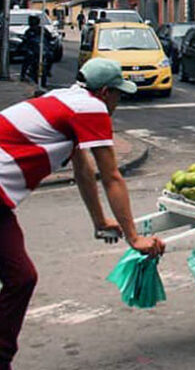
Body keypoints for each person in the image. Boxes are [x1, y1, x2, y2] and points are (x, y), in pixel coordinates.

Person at [0, 58, 164, 370]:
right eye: (119, 94)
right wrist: (134, 238)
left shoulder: (64, 98)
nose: (119, 102)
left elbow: (84, 171)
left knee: (19, 277)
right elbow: (111, 175)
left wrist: (100, 221)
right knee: (20, 277)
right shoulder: (92, 108)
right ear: (104, 92)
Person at [19, 15, 52, 87]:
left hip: (42, 48)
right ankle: (23, 74)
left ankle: (48, 70)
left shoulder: (43, 30)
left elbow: (50, 37)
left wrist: (49, 44)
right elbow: (25, 40)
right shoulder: (29, 31)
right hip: (32, 49)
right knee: (27, 58)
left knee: (50, 56)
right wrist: (21, 47)